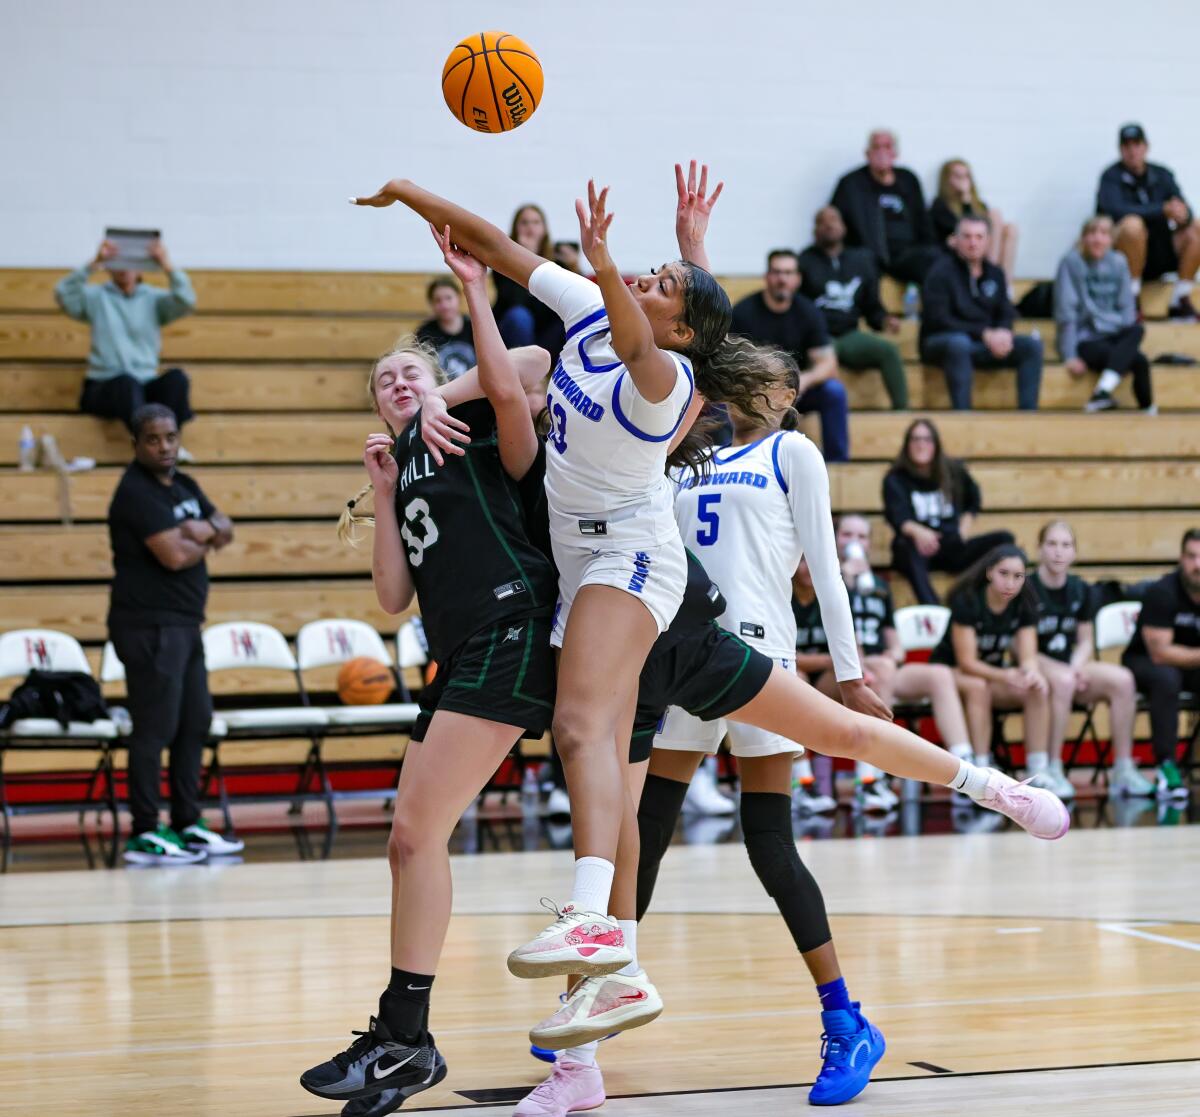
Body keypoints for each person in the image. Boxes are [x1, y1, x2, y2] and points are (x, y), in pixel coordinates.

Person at [517, 354, 1070, 1117]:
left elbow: (828, 570)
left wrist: (847, 671)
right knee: (635, 830)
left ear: (786, 396)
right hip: (676, 653)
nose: (748, 390)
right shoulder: (689, 455)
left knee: (769, 845)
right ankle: (597, 1005)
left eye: (764, 381)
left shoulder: (792, 453)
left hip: (757, 655)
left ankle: (845, 1019)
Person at [351, 171, 771, 991]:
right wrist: (411, 193)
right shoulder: (589, 311)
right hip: (580, 565)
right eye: (648, 271)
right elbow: (501, 247)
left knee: (582, 730)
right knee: (601, 753)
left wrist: (614, 265)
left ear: (680, 324)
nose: (647, 276)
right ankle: (621, 964)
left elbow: (645, 343)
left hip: (635, 557)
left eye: (664, 283)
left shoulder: (667, 378)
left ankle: (591, 924)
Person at [302, 223, 560, 1112]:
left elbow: (529, 363)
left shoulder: (477, 426)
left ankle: (406, 1038)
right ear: (376, 410)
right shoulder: (403, 467)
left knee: (416, 833)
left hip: (514, 626)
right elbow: (389, 596)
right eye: (385, 382)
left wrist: (441, 385)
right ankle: (403, 1032)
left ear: (439, 379)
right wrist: (380, 492)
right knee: (407, 843)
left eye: (410, 370)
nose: (399, 382)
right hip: (457, 654)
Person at [107, 404, 240, 865]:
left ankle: (187, 822)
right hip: (148, 626)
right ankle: (145, 829)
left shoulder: (183, 484)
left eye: (170, 437)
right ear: (137, 444)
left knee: (194, 723)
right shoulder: (135, 493)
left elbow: (227, 528)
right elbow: (173, 556)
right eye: (153, 439)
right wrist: (207, 535)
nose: (164, 447)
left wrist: (200, 529)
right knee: (155, 727)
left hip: (185, 623)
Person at [838, 513, 983, 789]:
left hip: (882, 668)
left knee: (939, 674)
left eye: (861, 536)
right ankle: (870, 778)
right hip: (843, 672)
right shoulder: (827, 579)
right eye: (847, 534)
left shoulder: (879, 586)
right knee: (882, 670)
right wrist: (847, 581)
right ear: (835, 539)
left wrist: (894, 653)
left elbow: (892, 636)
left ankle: (965, 769)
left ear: (869, 544)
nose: (854, 541)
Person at [1031, 521, 1153, 800]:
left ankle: (1123, 770)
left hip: (1071, 666)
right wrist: (1066, 672)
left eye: (1066, 545)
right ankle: (1053, 768)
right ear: (1039, 549)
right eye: (1051, 544)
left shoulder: (1080, 589)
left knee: (1123, 680)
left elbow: (1085, 640)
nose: (1058, 552)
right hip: (1038, 666)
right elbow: (1019, 650)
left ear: (1074, 552)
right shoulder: (1026, 589)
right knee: (1062, 682)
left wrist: (1075, 667)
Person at [929, 544, 1058, 787]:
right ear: (989, 572)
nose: (1010, 583)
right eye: (1004, 574)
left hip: (993, 674)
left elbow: (1028, 656)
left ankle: (1038, 771)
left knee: (1036, 688)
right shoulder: (967, 599)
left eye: (1018, 576)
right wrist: (1005, 674)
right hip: (952, 672)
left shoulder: (1025, 601)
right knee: (979, 686)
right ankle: (980, 768)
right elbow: (967, 662)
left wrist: (1031, 673)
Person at [54, 237, 197, 433]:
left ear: (141, 267)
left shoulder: (153, 299)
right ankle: (151, 447)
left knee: (177, 379)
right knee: (126, 383)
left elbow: (186, 300)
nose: (124, 268)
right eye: (118, 262)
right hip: (105, 386)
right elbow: (63, 293)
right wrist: (93, 264)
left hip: (144, 386)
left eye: (131, 263)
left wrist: (167, 266)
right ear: (109, 267)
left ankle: (169, 442)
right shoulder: (96, 297)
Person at [730, 249, 850, 461]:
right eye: (776, 272)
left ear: (797, 279)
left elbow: (828, 363)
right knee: (718, 398)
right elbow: (729, 361)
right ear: (767, 276)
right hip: (754, 393)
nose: (782, 279)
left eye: (788, 273)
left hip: (796, 391)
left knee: (834, 391)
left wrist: (804, 380)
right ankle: (727, 460)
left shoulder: (808, 312)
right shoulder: (744, 312)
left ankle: (837, 464)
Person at [883, 417, 1015, 605]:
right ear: (907, 445)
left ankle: (970, 598)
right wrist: (919, 532)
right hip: (917, 550)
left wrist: (964, 526)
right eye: (915, 439)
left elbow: (974, 498)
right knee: (904, 545)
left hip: (951, 545)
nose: (921, 445)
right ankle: (934, 609)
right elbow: (897, 516)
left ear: (935, 444)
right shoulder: (895, 478)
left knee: (1005, 540)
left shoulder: (953, 470)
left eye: (927, 439)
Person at [920, 215, 1042, 411]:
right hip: (943, 342)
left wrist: (1002, 332)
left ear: (988, 241)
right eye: (967, 236)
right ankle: (964, 415)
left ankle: (1028, 416)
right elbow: (938, 319)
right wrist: (984, 334)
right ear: (956, 240)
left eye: (979, 237)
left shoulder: (996, 273)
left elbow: (1005, 311)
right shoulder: (939, 272)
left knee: (1031, 346)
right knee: (958, 343)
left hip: (984, 344)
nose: (973, 243)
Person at [799, 206, 908, 410]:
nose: (829, 224)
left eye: (834, 219)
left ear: (844, 227)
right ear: (815, 230)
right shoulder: (804, 261)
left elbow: (871, 305)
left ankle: (902, 412)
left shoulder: (862, 260)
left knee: (889, 351)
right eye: (823, 221)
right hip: (820, 338)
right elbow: (799, 307)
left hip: (850, 334)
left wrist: (884, 319)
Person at [1121, 529, 1200, 798]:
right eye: (1191, 557)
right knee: (1167, 678)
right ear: (1181, 558)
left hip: (1189, 663)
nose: (1197, 565)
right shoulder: (1162, 592)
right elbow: (1160, 653)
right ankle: (1167, 767)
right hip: (1145, 660)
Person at [1096, 123, 1200, 319]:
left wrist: (1182, 214)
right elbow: (1115, 210)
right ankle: (1131, 297)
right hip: (1124, 258)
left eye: (1137, 144)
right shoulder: (1110, 177)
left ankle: (1181, 297)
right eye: (1127, 146)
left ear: (1146, 146)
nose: (1132, 150)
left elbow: (1183, 206)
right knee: (1132, 225)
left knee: (1196, 226)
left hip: (1161, 251)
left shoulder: (1162, 175)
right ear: (1121, 150)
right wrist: (1161, 210)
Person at [1055, 215, 1154, 414]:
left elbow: (1127, 309)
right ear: (1083, 238)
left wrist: (1118, 332)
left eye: (1103, 234)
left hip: (1115, 335)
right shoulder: (1071, 262)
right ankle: (1146, 408)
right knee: (1138, 360)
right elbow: (1066, 312)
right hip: (1087, 338)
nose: (1097, 239)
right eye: (1092, 233)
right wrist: (1070, 355)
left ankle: (1104, 392)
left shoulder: (1119, 262)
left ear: (1112, 240)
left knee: (1137, 329)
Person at [829, 129, 940, 285]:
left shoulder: (908, 179)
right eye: (876, 147)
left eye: (887, 147)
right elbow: (835, 221)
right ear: (867, 153)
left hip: (908, 254)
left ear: (895, 153)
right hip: (869, 255)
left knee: (938, 261)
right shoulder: (851, 184)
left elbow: (923, 221)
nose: (882, 152)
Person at [491, 203, 567, 357]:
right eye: (524, 222)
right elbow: (515, 302)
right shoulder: (502, 263)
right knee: (520, 316)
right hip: (513, 334)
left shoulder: (558, 265)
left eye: (536, 222)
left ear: (544, 229)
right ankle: (526, 369)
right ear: (515, 229)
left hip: (545, 334)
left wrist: (575, 267)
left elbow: (559, 305)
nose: (530, 227)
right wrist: (526, 257)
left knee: (567, 321)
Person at [930, 159, 1019, 284]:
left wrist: (968, 200)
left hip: (982, 247)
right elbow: (965, 228)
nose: (963, 181)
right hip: (962, 249)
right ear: (947, 179)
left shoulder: (979, 205)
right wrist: (966, 200)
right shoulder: (940, 204)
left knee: (1010, 228)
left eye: (966, 176)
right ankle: (989, 277)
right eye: (957, 176)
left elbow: (984, 229)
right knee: (994, 216)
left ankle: (1005, 283)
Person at [414, 275, 476, 378]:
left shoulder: (474, 327)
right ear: (431, 304)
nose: (445, 305)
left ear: (459, 298)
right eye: (438, 300)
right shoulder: (425, 333)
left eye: (449, 298)